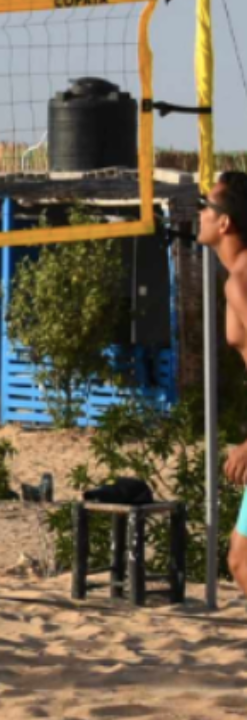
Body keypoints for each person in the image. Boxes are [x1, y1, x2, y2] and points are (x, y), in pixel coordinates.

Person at [201, 172, 247, 592]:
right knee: (240, 560)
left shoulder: (241, 281)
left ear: (225, 223)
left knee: (243, 562)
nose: (200, 213)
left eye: (207, 206)